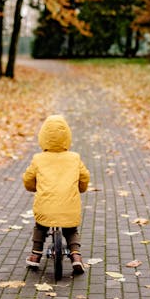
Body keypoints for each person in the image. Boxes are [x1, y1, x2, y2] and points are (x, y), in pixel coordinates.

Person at [23, 115, 90, 275]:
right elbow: (85, 177)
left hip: (45, 207)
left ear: (43, 136)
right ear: (67, 136)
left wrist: (33, 187)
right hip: (69, 207)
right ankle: (76, 256)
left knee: (40, 226)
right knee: (71, 229)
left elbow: (28, 179)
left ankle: (35, 255)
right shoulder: (74, 158)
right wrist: (81, 188)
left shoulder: (38, 159)